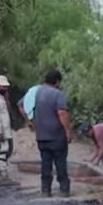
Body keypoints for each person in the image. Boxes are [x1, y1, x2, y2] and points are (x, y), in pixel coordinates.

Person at [33, 69, 73, 197]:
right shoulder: (57, 94)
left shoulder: (38, 92)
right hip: (56, 136)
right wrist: (68, 131)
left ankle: (46, 190)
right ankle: (64, 189)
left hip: (41, 135)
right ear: (57, 81)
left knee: (45, 164)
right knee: (60, 162)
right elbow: (62, 113)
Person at [0, 75, 17, 184]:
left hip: (6, 130)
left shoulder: (1, 97)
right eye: (3, 86)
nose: (5, 88)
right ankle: (2, 176)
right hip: (1, 131)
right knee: (3, 151)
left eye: (6, 86)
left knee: (6, 151)